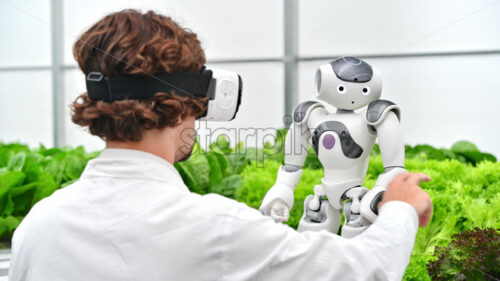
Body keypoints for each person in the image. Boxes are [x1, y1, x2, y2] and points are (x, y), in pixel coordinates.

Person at [8, 9, 432, 281]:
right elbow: (364, 270)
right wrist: (400, 206)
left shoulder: (40, 225)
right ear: (188, 103)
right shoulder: (216, 228)